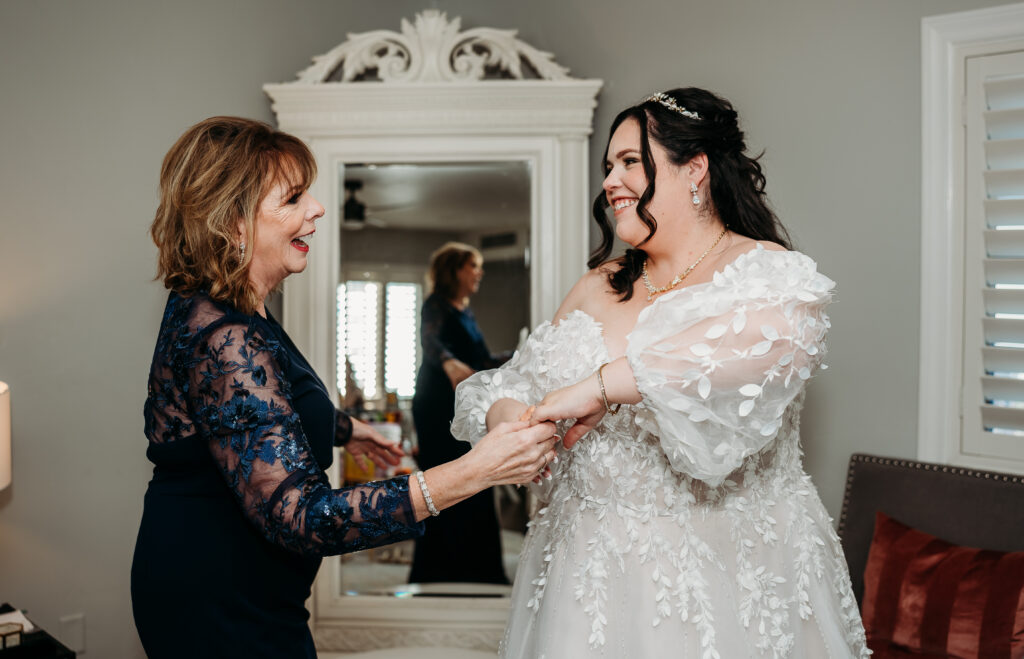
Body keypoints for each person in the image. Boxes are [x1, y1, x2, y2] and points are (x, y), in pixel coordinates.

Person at [452, 89, 870, 657]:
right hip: (586, 572)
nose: (610, 181)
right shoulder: (600, 283)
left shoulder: (768, 275)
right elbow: (514, 383)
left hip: (727, 575)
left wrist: (597, 388)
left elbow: (749, 353)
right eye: (608, 167)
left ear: (694, 169)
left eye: (630, 162)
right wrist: (515, 422)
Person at [130, 117, 558, 659]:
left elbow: (246, 414)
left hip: (243, 584)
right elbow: (305, 519)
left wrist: (346, 427)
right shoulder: (224, 333)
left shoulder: (235, 309)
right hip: (219, 597)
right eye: (293, 197)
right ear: (233, 223)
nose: (317, 208)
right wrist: (476, 471)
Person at [409, 242, 513, 584]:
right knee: (444, 480)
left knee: (477, 479)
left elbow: (481, 362)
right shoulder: (435, 305)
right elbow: (432, 342)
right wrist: (449, 363)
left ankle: (477, 571)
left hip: (463, 404)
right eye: (473, 266)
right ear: (454, 271)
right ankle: (438, 571)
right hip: (437, 404)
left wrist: (520, 356)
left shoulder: (465, 312)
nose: (479, 272)